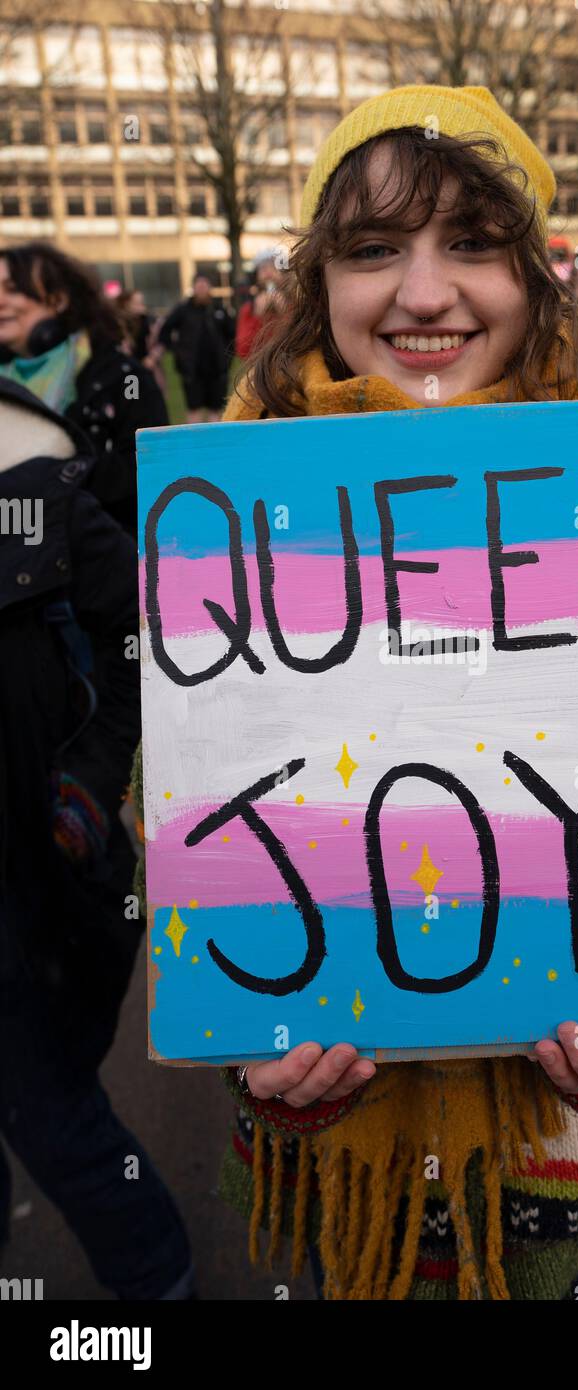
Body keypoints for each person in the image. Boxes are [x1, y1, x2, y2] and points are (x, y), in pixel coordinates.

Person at [132, 85, 578, 1301]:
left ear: (534, 271)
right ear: (319, 278)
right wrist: (241, 1020)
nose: (424, 294)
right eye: (374, 248)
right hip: (359, 1184)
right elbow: (178, 811)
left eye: (471, 245)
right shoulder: (228, 505)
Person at [0, 376, 194, 1299]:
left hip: (38, 889)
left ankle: (159, 1282)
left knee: (54, 1114)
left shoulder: (37, 492)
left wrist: (91, 775)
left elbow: (154, 634)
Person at [0, 243, 167, 536]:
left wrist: (59, 478)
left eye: (13, 289)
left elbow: (149, 470)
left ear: (59, 300)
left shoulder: (124, 379)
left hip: (92, 556)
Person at [158, 272, 235, 423]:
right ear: (193, 288)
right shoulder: (183, 310)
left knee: (216, 410)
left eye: (204, 285)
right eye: (198, 286)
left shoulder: (219, 309)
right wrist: (177, 352)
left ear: (210, 288)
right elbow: (165, 331)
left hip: (217, 370)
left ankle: (215, 444)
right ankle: (194, 444)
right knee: (194, 411)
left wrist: (227, 358)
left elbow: (232, 334)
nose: (201, 289)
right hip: (192, 371)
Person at [235, 250, 287, 360]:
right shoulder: (248, 309)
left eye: (274, 268)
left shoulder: (296, 304)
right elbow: (243, 351)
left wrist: (285, 313)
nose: (269, 273)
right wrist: (257, 317)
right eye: (263, 269)